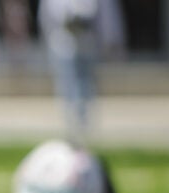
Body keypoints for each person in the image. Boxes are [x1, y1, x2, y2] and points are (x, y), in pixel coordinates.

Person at [38, 0, 125, 145]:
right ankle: (71, 125)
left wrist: (110, 40)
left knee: (86, 84)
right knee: (67, 85)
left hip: (87, 40)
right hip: (63, 40)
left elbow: (107, 16)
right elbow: (46, 16)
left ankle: (85, 125)